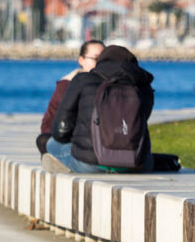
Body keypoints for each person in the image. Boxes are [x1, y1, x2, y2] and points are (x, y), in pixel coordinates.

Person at [43, 45, 155, 173]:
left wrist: (76, 139)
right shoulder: (143, 85)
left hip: (90, 163)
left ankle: (69, 165)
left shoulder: (83, 80)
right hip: (136, 164)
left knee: (51, 143)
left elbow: (60, 130)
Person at [36, 40, 105, 154]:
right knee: (43, 140)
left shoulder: (113, 83)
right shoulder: (66, 85)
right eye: (96, 59)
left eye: (104, 60)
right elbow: (49, 122)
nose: (100, 63)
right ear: (81, 60)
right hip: (72, 140)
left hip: (104, 142)